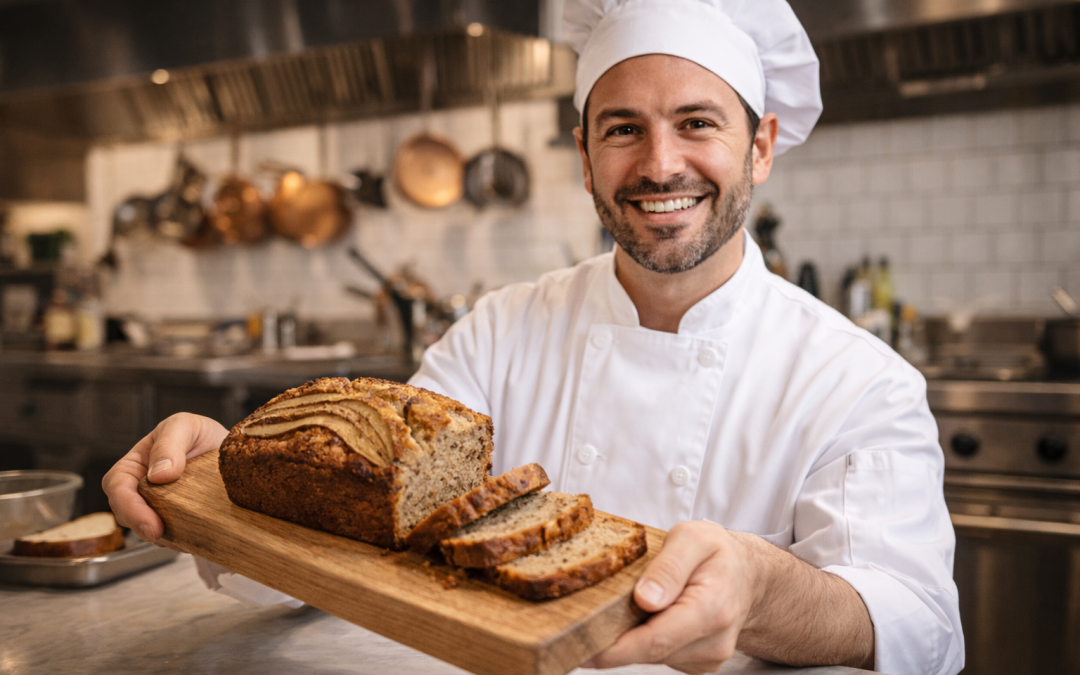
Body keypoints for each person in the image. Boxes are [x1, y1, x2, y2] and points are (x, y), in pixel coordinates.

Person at [103, 1, 964, 674]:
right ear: (585, 158)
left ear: (762, 146)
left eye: (698, 122)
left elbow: (918, 627)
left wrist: (764, 585)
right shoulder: (498, 331)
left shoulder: (856, 381)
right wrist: (223, 484)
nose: (660, 164)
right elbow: (366, 531)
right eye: (623, 128)